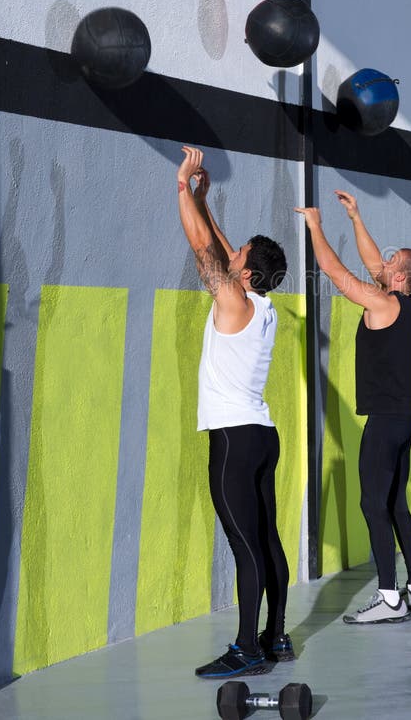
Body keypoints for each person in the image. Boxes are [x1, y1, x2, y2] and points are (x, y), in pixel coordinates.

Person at [177, 146, 292, 679]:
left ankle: (247, 649)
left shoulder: (233, 300)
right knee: (267, 539)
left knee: (246, 546)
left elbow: (204, 251)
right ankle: (276, 636)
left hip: (233, 441)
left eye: (240, 256)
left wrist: (183, 190)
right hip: (263, 435)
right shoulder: (264, 306)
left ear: (245, 275)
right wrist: (207, 203)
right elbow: (222, 248)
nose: (233, 255)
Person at [295, 191, 411, 623]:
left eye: (391, 264)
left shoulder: (384, 302)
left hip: (388, 419)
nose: (383, 264)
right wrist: (355, 217)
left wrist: (317, 227)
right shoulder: (404, 303)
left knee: (373, 505)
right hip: (405, 417)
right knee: (395, 505)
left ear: (401, 276)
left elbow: (336, 274)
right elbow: (374, 262)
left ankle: (390, 598)